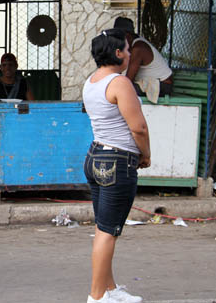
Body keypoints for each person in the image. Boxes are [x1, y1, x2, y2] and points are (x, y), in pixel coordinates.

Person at [82, 29, 151, 303]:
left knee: (104, 228)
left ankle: (109, 289)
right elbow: (139, 127)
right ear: (118, 53)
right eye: (127, 48)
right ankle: (97, 297)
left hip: (96, 157)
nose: (131, 53)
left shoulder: (91, 81)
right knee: (107, 232)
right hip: (117, 162)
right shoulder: (120, 83)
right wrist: (145, 154)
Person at [112, 16, 173, 102]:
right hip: (152, 82)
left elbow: (129, 79)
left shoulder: (138, 48)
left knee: (122, 90)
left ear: (128, 36)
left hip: (163, 86)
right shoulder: (130, 45)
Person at [0, 53, 35, 117]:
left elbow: (33, 105)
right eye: (4, 65)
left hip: (20, 119)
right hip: (0, 120)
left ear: (16, 66)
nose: (7, 68)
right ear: (0, 67)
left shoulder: (23, 84)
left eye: (10, 65)